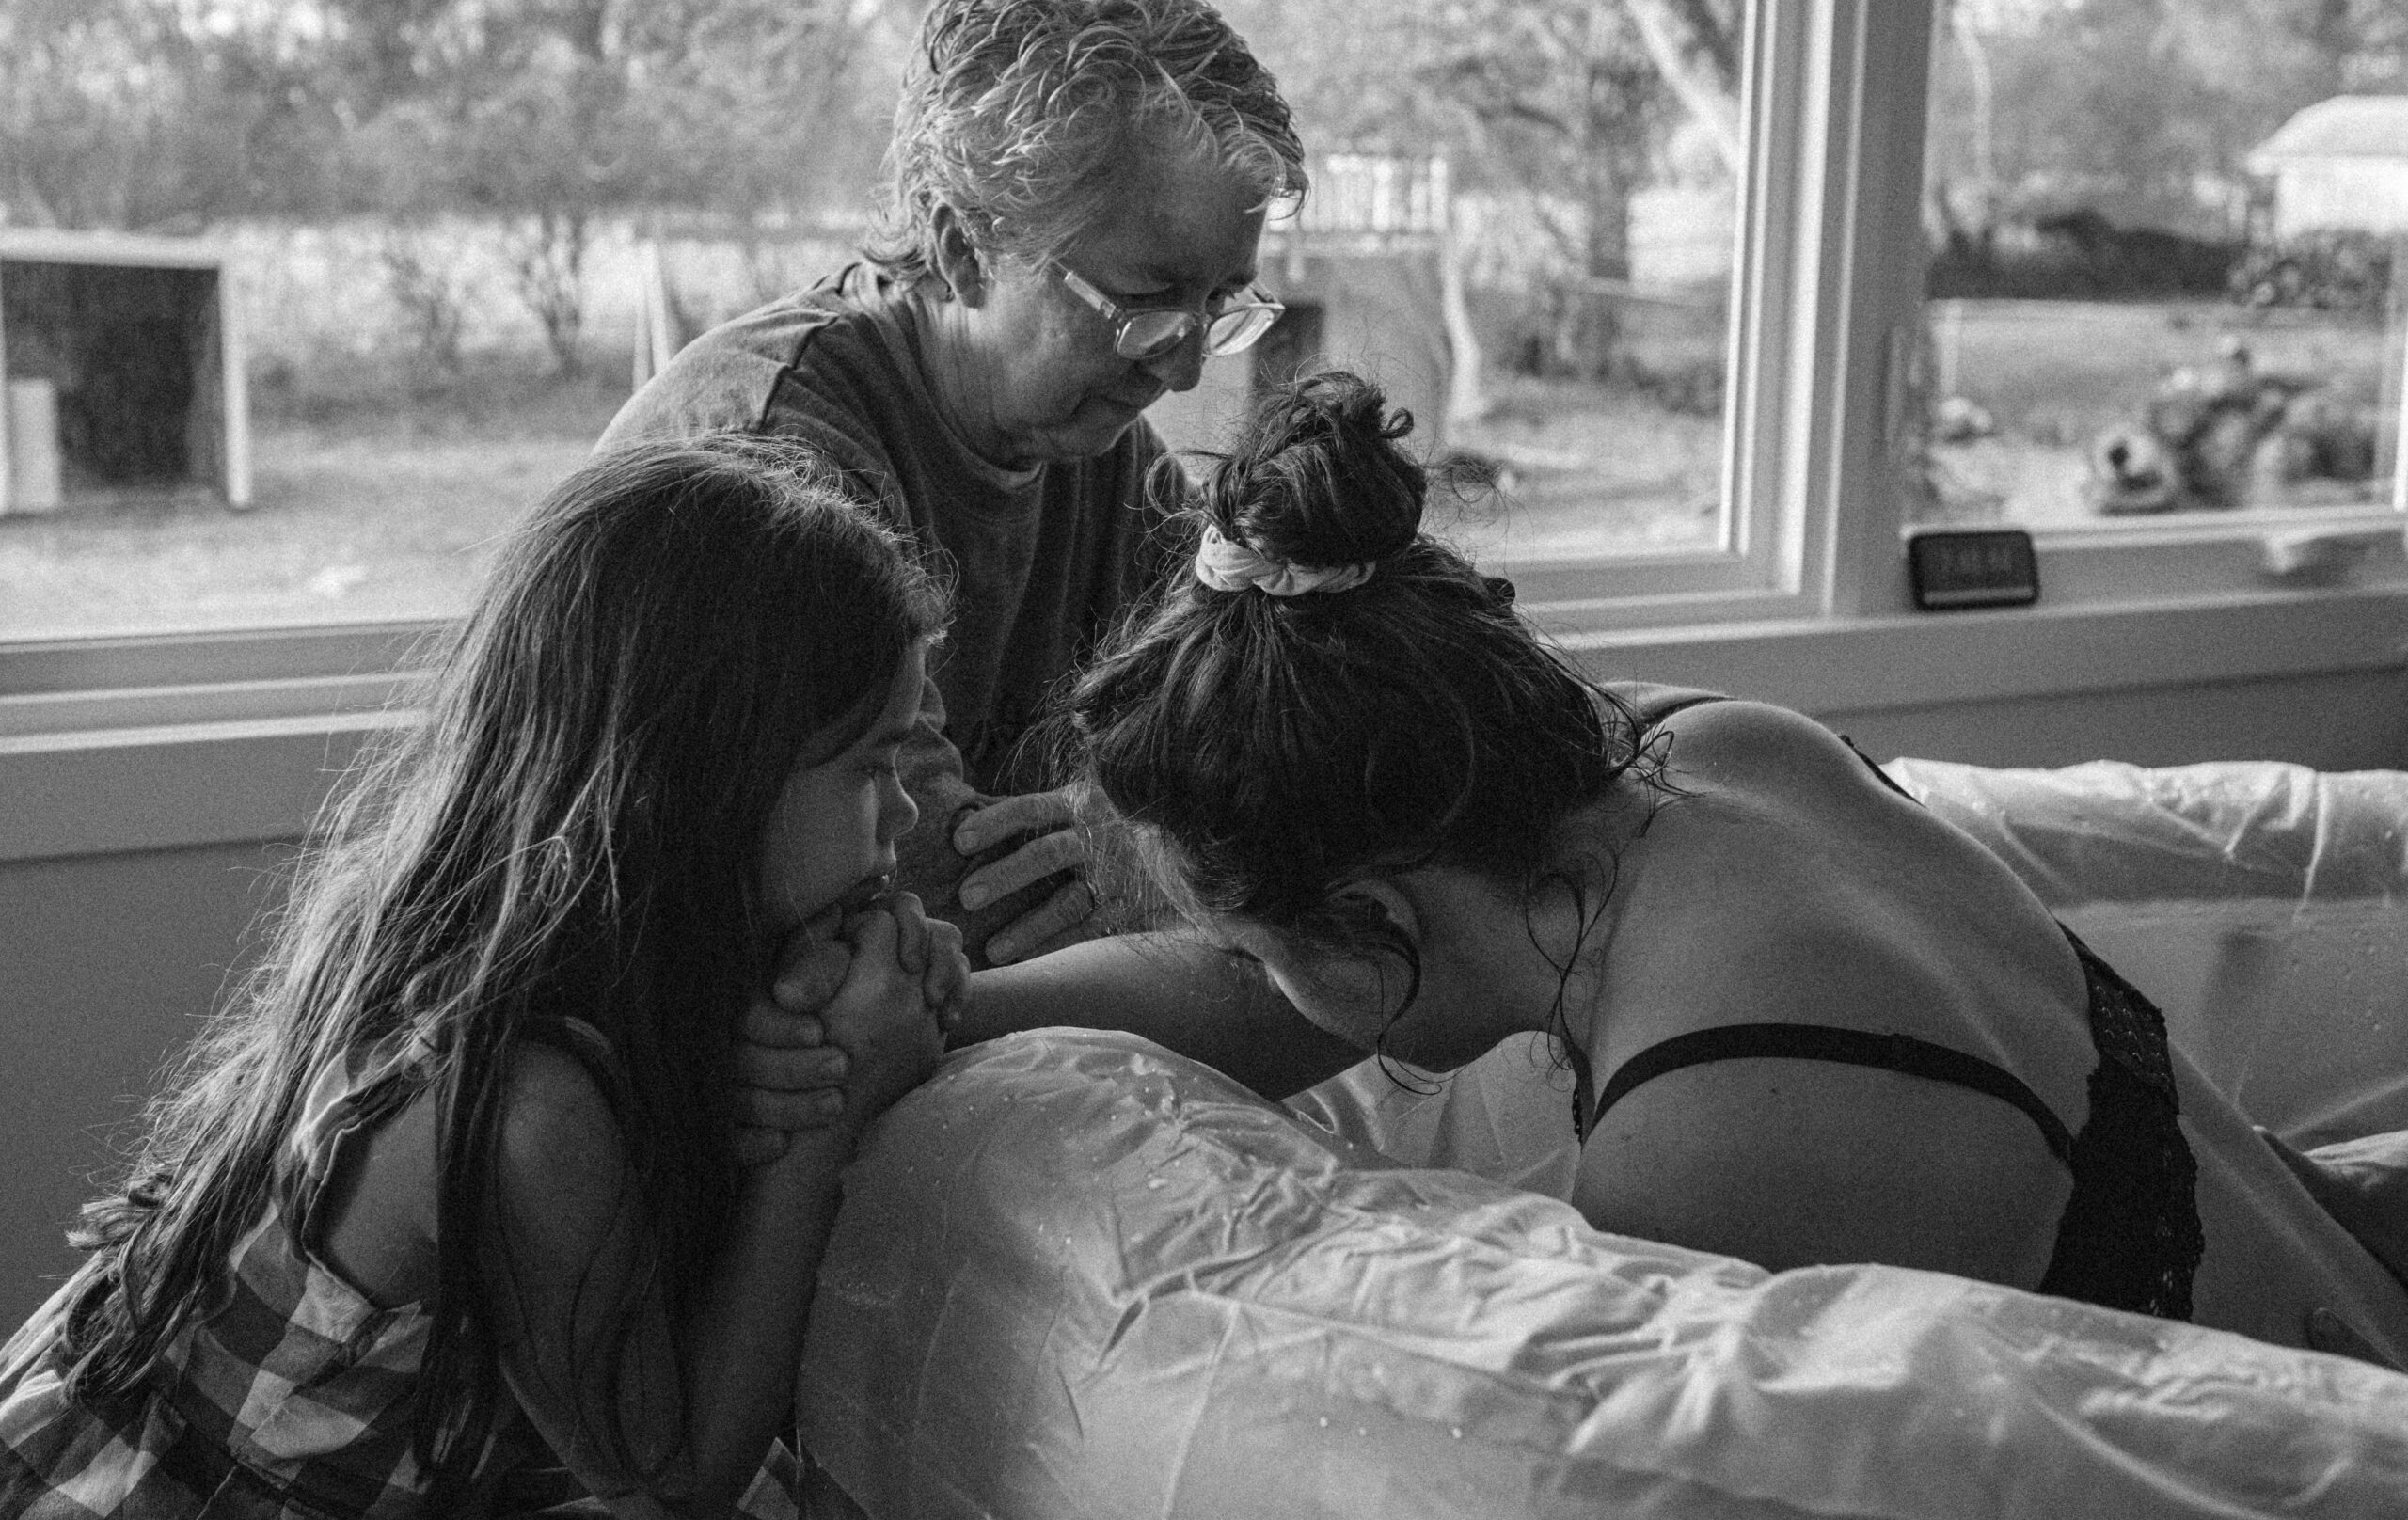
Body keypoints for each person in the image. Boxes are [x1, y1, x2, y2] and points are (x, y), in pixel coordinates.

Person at [1038, 368, 2408, 1364]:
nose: (1245, 982)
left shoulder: (1705, 1147)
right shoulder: (1726, 753)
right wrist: (943, 1013)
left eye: (1247, 946)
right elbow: (1272, 981)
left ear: (1370, 916)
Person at [0, 438, 966, 1518]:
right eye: (870, 767)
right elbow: (674, 1484)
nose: (907, 811)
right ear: (704, 783)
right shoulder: (517, 1104)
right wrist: (828, 1113)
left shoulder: (533, 943)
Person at [600, 0, 1308, 969]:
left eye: (1222, 304)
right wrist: (1177, 848)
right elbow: (926, 902)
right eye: (1145, 304)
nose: (1182, 370)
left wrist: (1167, 841)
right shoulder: (769, 471)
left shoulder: (1094, 441)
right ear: (960, 248)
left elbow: (1279, 736)